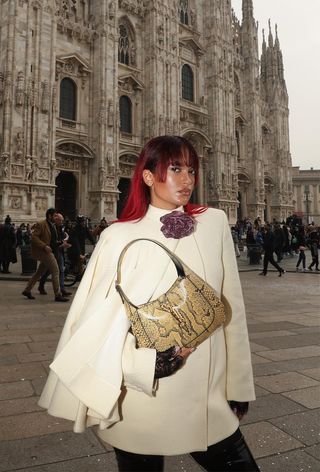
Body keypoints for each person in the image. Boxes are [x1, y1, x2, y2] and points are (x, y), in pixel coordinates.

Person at [39, 136, 258, 472]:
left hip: (207, 401)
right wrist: (143, 366)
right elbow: (94, 327)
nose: (187, 180)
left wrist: (238, 385)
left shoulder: (213, 223)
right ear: (148, 176)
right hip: (141, 400)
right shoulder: (118, 236)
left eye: (191, 170)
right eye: (175, 169)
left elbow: (232, 310)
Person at [22, 208, 69, 302]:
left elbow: (52, 241)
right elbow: (34, 238)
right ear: (49, 216)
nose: (56, 217)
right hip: (44, 252)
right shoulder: (41, 224)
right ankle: (58, 295)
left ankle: (27, 290)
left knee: (39, 272)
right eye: (55, 215)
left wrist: (61, 243)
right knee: (56, 270)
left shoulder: (52, 225)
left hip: (48, 251)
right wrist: (44, 246)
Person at [38, 213, 72, 297]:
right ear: (55, 220)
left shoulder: (61, 228)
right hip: (52, 251)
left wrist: (65, 243)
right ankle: (41, 285)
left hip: (59, 251)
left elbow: (62, 237)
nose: (62, 222)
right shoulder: (51, 228)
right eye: (60, 220)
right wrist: (61, 244)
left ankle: (62, 289)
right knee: (48, 270)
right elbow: (52, 242)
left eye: (62, 220)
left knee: (59, 270)